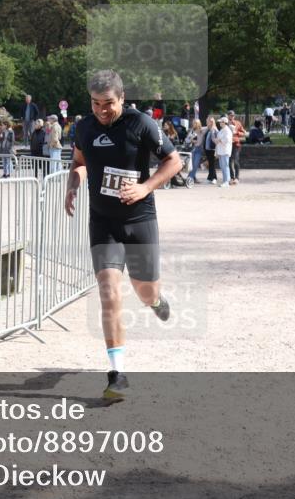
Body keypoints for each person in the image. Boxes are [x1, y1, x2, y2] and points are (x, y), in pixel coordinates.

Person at [65, 69, 181, 400]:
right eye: (96, 104)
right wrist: (73, 184)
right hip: (103, 222)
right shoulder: (85, 127)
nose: (102, 111)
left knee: (145, 292)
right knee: (109, 291)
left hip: (139, 219)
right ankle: (117, 374)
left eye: (109, 104)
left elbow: (174, 162)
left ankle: (156, 301)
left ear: (122, 98)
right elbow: (80, 161)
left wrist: (145, 187)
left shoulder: (140, 124)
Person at [226, 110, 245, 185]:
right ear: (228, 116)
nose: (232, 117)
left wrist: (236, 132)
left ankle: (237, 178)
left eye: (233, 115)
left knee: (236, 161)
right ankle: (232, 177)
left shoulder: (238, 123)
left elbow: (244, 132)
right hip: (228, 145)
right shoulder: (225, 123)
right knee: (230, 162)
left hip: (236, 144)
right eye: (230, 115)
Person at [183, 119, 205, 183]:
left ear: (199, 123)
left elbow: (209, 127)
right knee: (192, 165)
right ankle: (191, 178)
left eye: (195, 123)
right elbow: (186, 140)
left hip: (198, 149)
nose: (194, 124)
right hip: (192, 149)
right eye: (193, 123)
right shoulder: (191, 130)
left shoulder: (202, 130)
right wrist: (191, 140)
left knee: (195, 164)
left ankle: (190, 178)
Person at [214, 116, 233, 188]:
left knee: (225, 166)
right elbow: (219, 138)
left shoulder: (227, 130)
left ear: (224, 123)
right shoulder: (222, 130)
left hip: (225, 151)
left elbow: (226, 140)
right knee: (222, 166)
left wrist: (219, 140)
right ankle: (225, 180)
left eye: (221, 122)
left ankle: (226, 182)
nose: (219, 123)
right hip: (221, 151)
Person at [203, 115, 218, 184]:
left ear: (211, 122)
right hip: (208, 149)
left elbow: (216, 139)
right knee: (210, 164)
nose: (206, 122)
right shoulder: (208, 129)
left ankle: (214, 178)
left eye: (207, 121)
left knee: (212, 164)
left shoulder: (214, 129)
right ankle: (210, 177)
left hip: (212, 149)